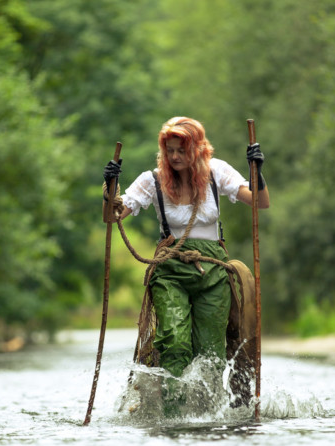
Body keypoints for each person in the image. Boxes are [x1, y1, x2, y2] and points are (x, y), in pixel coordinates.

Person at [103, 116, 269, 382]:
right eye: (169, 150)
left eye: (182, 150)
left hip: (213, 271)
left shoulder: (217, 172)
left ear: (198, 148)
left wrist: (257, 172)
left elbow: (260, 202)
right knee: (175, 344)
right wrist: (110, 191)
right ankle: (174, 414)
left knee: (210, 354)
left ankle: (208, 418)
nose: (175, 156)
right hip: (170, 271)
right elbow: (112, 217)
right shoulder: (152, 180)